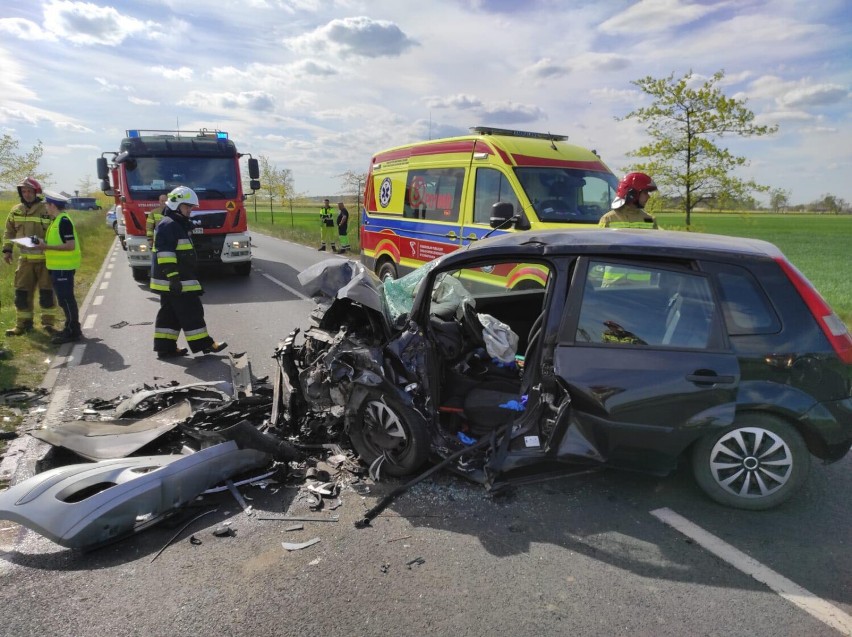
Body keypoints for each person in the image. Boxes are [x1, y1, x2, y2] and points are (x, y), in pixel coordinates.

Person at [150, 186, 227, 359]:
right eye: (188, 207)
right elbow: (165, 254)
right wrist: (174, 278)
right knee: (192, 311)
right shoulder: (169, 225)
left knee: (169, 314)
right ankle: (205, 344)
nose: (191, 210)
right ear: (177, 205)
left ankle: (165, 347)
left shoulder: (176, 224)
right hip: (177, 279)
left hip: (175, 279)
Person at [2, 177, 57, 336]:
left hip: (45, 260)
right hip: (25, 261)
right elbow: (9, 232)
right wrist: (7, 250)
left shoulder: (46, 210)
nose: (26, 194)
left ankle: (48, 325)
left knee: (46, 294)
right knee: (22, 294)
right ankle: (23, 325)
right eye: (24, 191)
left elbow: (56, 231)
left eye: (29, 191)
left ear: (36, 192)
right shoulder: (16, 210)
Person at [34, 192, 82, 344]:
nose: (46, 208)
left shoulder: (63, 221)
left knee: (66, 299)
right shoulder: (57, 220)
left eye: (47, 205)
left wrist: (45, 246)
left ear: (53, 205)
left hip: (63, 268)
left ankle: (73, 330)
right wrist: (43, 243)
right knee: (64, 299)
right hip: (58, 267)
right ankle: (70, 327)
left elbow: (70, 245)